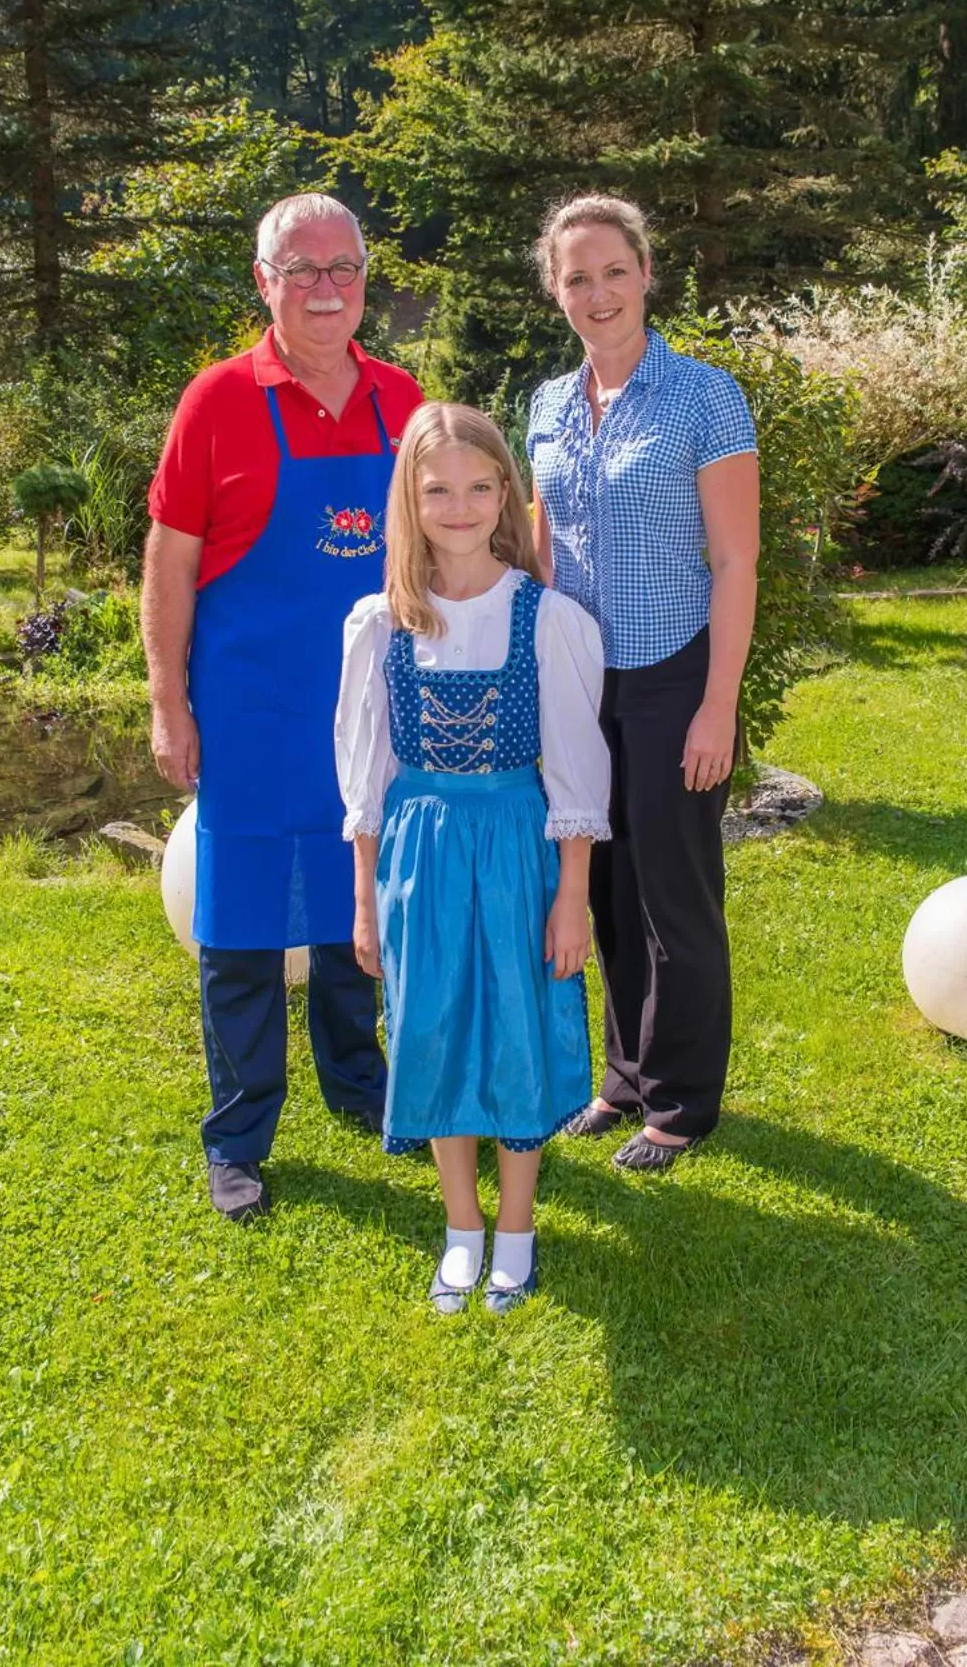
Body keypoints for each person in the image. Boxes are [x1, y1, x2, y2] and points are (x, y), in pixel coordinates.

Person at [142, 192, 423, 1222]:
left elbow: (443, 543)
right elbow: (169, 563)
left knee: (362, 911)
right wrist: (168, 701)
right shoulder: (217, 400)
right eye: (301, 269)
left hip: (372, 717)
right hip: (252, 715)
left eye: (343, 267)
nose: (325, 288)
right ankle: (239, 1135)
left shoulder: (402, 400)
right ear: (265, 281)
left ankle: (360, 1083)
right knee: (242, 933)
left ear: (365, 280)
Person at [336, 403, 610, 1312]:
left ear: (506, 496)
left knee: (516, 1026)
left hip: (515, 848)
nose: (459, 507)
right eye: (437, 490)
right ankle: (461, 1228)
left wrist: (571, 897)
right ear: (409, 503)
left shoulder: (546, 617)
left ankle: (516, 1230)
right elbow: (367, 778)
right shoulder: (380, 623)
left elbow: (574, 770)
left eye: (478, 487)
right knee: (433, 1027)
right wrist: (365, 900)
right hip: (418, 853)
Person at [526, 193, 759, 1172]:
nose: (599, 292)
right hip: (582, 683)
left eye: (614, 271)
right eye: (577, 276)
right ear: (555, 290)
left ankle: (683, 1100)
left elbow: (736, 562)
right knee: (609, 888)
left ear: (646, 274)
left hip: (673, 674)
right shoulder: (545, 405)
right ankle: (624, 1078)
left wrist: (717, 705)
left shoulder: (705, 397)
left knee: (674, 894)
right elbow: (542, 552)